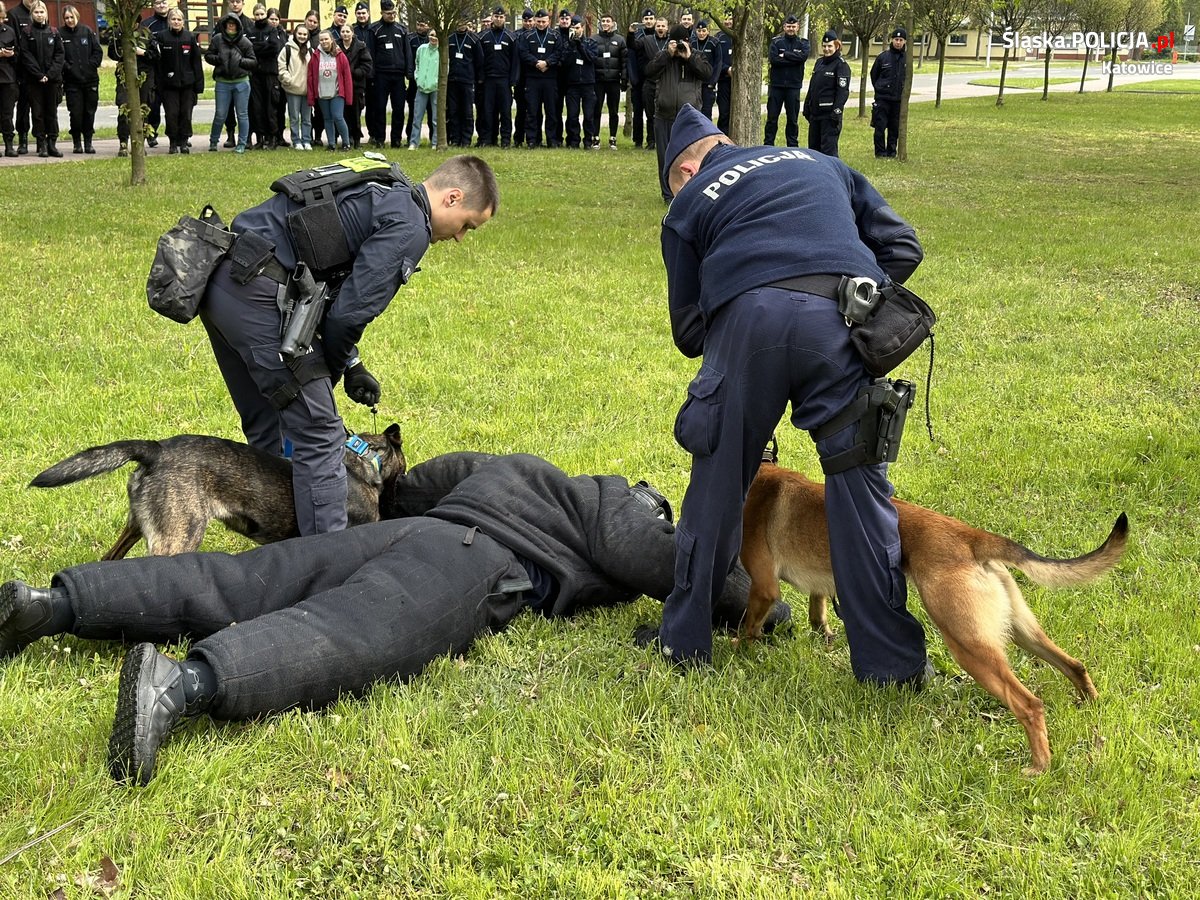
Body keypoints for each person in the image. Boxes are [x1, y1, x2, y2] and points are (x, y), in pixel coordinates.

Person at [1, 452, 788, 786]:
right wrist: (750, 602)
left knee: (246, 576)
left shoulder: (512, 464)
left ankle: (49, 604)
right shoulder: (610, 498)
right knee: (357, 630)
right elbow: (650, 557)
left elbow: (421, 480)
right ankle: (181, 686)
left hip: (408, 528)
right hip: (477, 561)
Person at [650, 104, 929, 686]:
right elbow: (903, 245)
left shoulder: (688, 202)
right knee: (860, 492)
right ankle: (892, 666)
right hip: (843, 322)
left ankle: (684, 645)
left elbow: (687, 330)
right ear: (729, 141)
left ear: (681, 173)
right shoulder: (821, 161)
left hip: (748, 326)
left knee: (717, 486)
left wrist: (741, 318)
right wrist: (852, 289)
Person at [198, 154, 496, 536]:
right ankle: (330, 562)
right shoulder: (410, 227)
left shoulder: (385, 182)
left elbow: (320, 264)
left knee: (270, 425)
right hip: (260, 297)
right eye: (467, 225)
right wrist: (330, 370)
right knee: (320, 432)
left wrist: (352, 365)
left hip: (223, 278)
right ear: (452, 198)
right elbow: (348, 314)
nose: (459, 237)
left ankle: (281, 548)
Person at [644, 26, 709, 201]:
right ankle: (668, 195)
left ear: (688, 41)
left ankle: (690, 192)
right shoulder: (663, 55)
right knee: (665, 157)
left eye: (683, 41)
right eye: (675, 42)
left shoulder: (697, 56)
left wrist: (690, 58)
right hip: (664, 115)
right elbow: (649, 72)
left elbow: (707, 74)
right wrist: (667, 54)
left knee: (691, 157)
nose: (679, 45)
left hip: (689, 117)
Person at [155, 8, 203, 154]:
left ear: (183, 21)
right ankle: (172, 142)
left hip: (188, 84)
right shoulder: (162, 37)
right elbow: (158, 63)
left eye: (179, 19)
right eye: (173, 19)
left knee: (186, 113)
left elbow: (196, 63)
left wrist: (199, 86)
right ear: (169, 21)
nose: (176, 22)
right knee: (172, 114)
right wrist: (159, 84)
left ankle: (184, 141)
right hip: (169, 85)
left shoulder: (189, 37)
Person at [107, 21, 158, 158]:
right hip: (125, 76)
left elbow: (156, 55)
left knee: (143, 110)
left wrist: (143, 53)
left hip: (144, 76)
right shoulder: (118, 33)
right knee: (124, 108)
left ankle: (140, 144)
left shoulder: (147, 33)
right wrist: (123, 52)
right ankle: (123, 143)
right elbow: (112, 52)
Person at [205, 12, 254, 153]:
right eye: (228, 24)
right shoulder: (217, 39)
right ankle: (213, 141)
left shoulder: (245, 42)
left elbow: (253, 61)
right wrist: (218, 59)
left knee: (242, 114)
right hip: (222, 81)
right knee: (220, 114)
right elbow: (208, 55)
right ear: (224, 25)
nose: (231, 27)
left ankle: (242, 144)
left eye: (233, 24)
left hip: (241, 82)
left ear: (238, 26)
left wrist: (241, 62)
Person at [20, 0, 63, 158]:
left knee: (51, 111)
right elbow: (25, 55)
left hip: (52, 80)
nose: (39, 15)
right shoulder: (27, 32)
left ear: (46, 13)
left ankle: (52, 143)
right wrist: (38, 74)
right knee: (37, 113)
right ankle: (41, 143)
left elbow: (59, 55)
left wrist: (49, 74)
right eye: (36, 12)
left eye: (42, 12)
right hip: (34, 80)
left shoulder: (54, 32)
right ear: (32, 14)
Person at [58, 4, 100, 154]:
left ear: (77, 16)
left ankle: (88, 142)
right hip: (72, 82)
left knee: (89, 112)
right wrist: (69, 68)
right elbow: (59, 56)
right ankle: (77, 142)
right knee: (76, 114)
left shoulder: (87, 31)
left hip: (90, 80)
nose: (70, 20)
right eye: (67, 18)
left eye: (72, 17)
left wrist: (91, 66)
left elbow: (97, 52)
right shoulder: (60, 34)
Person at [367, 0, 409, 148]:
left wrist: (408, 72)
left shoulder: (402, 30)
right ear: (382, 13)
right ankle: (379, 139)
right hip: (381, 75)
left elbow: (407, 52)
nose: (392, 16)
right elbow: (370, 52)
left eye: (393, 13)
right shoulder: (374, 29)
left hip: (398, 75)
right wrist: (371, 74)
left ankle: (396, 139)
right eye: (388, 13)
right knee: (379, 108)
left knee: (399, 109)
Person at [803, 29, 850, 157]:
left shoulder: (841, 65)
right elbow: (813, 87)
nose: (826, 49)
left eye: (830, 46)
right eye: (824, 46)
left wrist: (837, 111)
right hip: (815, 115)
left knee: (829, 154)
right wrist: (807, 105)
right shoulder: (819, 63)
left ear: (837, 46)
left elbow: (843, 91)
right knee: (814, 153)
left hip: (829, 117)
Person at [763, 14, 809, 147]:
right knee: (772, 119)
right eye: (788, 26)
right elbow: (774, 60)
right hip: (776, 86)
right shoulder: (776, 42)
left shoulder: (803, 43)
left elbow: (803, 57)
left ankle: (793, 146)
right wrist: (794, 60)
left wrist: (786, 55)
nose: (791, 29)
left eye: (793, 26)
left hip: (793, 87)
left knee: (792, 120)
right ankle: (768, 146)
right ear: (784, 27)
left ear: (798, 27)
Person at [517, 9, 559, 149]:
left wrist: (547, 63)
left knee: (551, 111)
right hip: (532, 78)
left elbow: (559, 53)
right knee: (532, 111)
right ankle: (531, 140)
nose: (541, 24)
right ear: (535, 21)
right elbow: (523, 53)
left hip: (550, 78)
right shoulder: (527, 36)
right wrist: (536, 62)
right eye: (539, 21)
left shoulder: (555, 35)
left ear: (548, 21)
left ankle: (552, 139)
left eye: (544, 22)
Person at [478, 5, 518, 148]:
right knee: (488, 111)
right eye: (496, 17)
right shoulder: (483, 36)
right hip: (488, 80)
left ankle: (506, 140)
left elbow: (515, 61)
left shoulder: (511, 37)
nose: (499, 19)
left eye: (501, 17)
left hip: (504, 80)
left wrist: (513, 80)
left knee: (505, 112)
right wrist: (481, 78)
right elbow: (479, 60)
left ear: (505, 19)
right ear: (492, 18)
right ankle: (488, 139)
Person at [246, 3, 284, 148]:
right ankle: (260, 138)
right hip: (255, 74)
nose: (260, 17)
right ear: (254, 15)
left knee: (271, 106)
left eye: (262, 14)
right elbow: (249, 49)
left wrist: (258, 47)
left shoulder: (272, 30)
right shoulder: (249, 30)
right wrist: (263, 46)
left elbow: (274, 48)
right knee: (257, 107)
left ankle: (272, 138)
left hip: (270, 73)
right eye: (257, 14)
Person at [307, 28, 352, 150]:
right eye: (321, 40)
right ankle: (331, 144)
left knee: (338, 117)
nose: (324, 41)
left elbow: (347, 77)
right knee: (327, 118)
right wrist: (311, 96)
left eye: (326, 39)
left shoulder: (340, 55)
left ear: (332, 40)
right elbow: (310, 76)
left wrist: (348, 96)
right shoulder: (315, 56)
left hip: (337, 92)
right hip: (322, 93)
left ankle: (346, 143)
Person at [445, 17, 482, 148]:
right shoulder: (449, 38)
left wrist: (479, 79)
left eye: (463, 23)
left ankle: (466, 140)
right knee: (453, 111)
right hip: (452, 80)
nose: (460, 25)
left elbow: (479, 61)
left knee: (467, 111)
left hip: (467, 80)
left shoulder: (474, 39)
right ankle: (455, 139)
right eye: (458, 22)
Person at [560, 14, 596, 150]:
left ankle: (588, 141)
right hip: (573, 84)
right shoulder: (567, 44)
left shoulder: (590, 43)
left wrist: (580, 45)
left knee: (588, 115)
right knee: (572, 115)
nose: (575, 31)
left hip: (587, 84)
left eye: (577, 28)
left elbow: (591, 59)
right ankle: (573, 141)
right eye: (573, 28)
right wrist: (571, 46)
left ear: (582, 28)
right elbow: (565, 63)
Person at [870, 27, 906, 158]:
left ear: (905, 42)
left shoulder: (906, 59)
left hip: (897, 100)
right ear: (892, 40)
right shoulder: (883, 57)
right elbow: (874, 75)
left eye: (901, 40)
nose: (898, 42)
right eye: (896, 39)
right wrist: (880, 89)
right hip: (883, 99)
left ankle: (892, 152)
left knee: (894, 128)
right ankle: (880, 153)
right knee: (880, 127)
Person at [141, 0, 172, 146]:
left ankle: (177, 135)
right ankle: (151, 134)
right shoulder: (148, 25)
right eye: (158, 2)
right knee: (153, 105)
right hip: (154, 70)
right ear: (153, 5)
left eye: (164, 2)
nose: (161, 5)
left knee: (174, 106)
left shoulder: (175, 20)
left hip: (173, 69)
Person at [592, 13, 625, 149]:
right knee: (596, 110)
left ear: (613, 23)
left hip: (613, 81)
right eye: (603, 21)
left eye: (608, 21)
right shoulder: (593, 39)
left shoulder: (620, 40)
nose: (605, 23)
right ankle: (595, 138)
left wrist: (624, 78)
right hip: (598, 81)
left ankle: (613, 138)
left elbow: (624, 62)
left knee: (613, 111)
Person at [278, 22, 313, 150]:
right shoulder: (287, 49)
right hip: (293, 89)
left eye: (305, 34)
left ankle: (307, 140)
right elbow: (281, 67)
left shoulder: (310, 50)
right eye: (300, 34)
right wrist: (289, 80)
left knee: (307, 118)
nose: (302, 36)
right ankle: (296, 140)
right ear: (295, 34)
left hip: (307, 90)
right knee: (294, 118)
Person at [625, 7, 655, 149]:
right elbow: (630, 54)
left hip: (653, 80)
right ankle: (638, 140)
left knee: (652, 112)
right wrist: (633, 78)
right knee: (638, 112)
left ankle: (652, 140)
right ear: (643, 20)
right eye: (646, 19)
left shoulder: (659, 35)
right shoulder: (638, 36)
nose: (648, 21)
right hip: (639, 79)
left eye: (651, 19)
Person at [338, 21, 371, 148]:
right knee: (343, 113)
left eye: (347, 31)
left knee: (355, 112)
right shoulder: (336, 46)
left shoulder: (361, 46)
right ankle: (347, 138)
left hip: (356, 84)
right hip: (341, 85)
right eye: (343, 31)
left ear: (352, 33)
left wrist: (354, 72)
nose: (345, 34)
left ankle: (357, 139)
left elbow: (367, 64)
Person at [407, 26, 437, 149]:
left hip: (435, 88)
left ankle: (435, 142)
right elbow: (417, 65)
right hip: (421, 87)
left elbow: (445, 69)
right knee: (417, 117)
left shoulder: (442, 51)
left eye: (435, 35)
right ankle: (414, 142)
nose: (433, 38)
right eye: (431, 35)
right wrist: (418, 78)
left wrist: (436, 82)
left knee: (435, 118)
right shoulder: (421, 49)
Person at [690, 19, 721, 122]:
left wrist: (713, 82)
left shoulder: (714, 42)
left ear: (708, 30)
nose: (701, 33)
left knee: (706, 113)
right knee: (695, 112)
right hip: (695, 83)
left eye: (704, 30)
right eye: (699, 31)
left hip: (708, 84)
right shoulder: (692, 42)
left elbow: (718, 63)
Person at [0, 5, 17, 157]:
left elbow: (18, 53)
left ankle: (9, 145)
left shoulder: (9, 31)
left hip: (7, 78)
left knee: (7, 113)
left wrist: (11, 54)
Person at [714, 14, 733, 134]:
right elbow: (716, 61)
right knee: (724, 113)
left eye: (730, 19)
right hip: (724, 80)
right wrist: (727, 69)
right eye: (725, 19)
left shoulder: (741, 35)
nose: (727, 22)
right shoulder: (718, 38)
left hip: (739, 82)